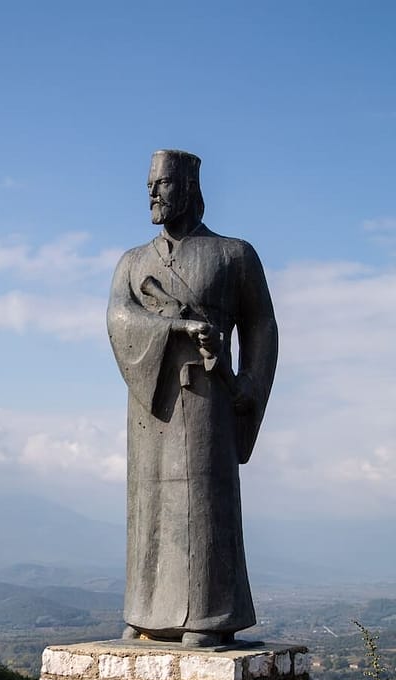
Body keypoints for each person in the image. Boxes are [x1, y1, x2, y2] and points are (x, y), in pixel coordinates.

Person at [107, 150, 278, 648]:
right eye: (148, 186)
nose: (152, 195)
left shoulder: (233, 254)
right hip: (152, 398)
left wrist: (249, 382)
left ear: (187, 187)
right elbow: (118, 321)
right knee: (149, 504)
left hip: (209, 399)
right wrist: (176, 326)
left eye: (161, 184)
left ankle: (208, 615)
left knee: (205, 500)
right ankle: (147, 613)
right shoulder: (133, 263)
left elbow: (261, 325)